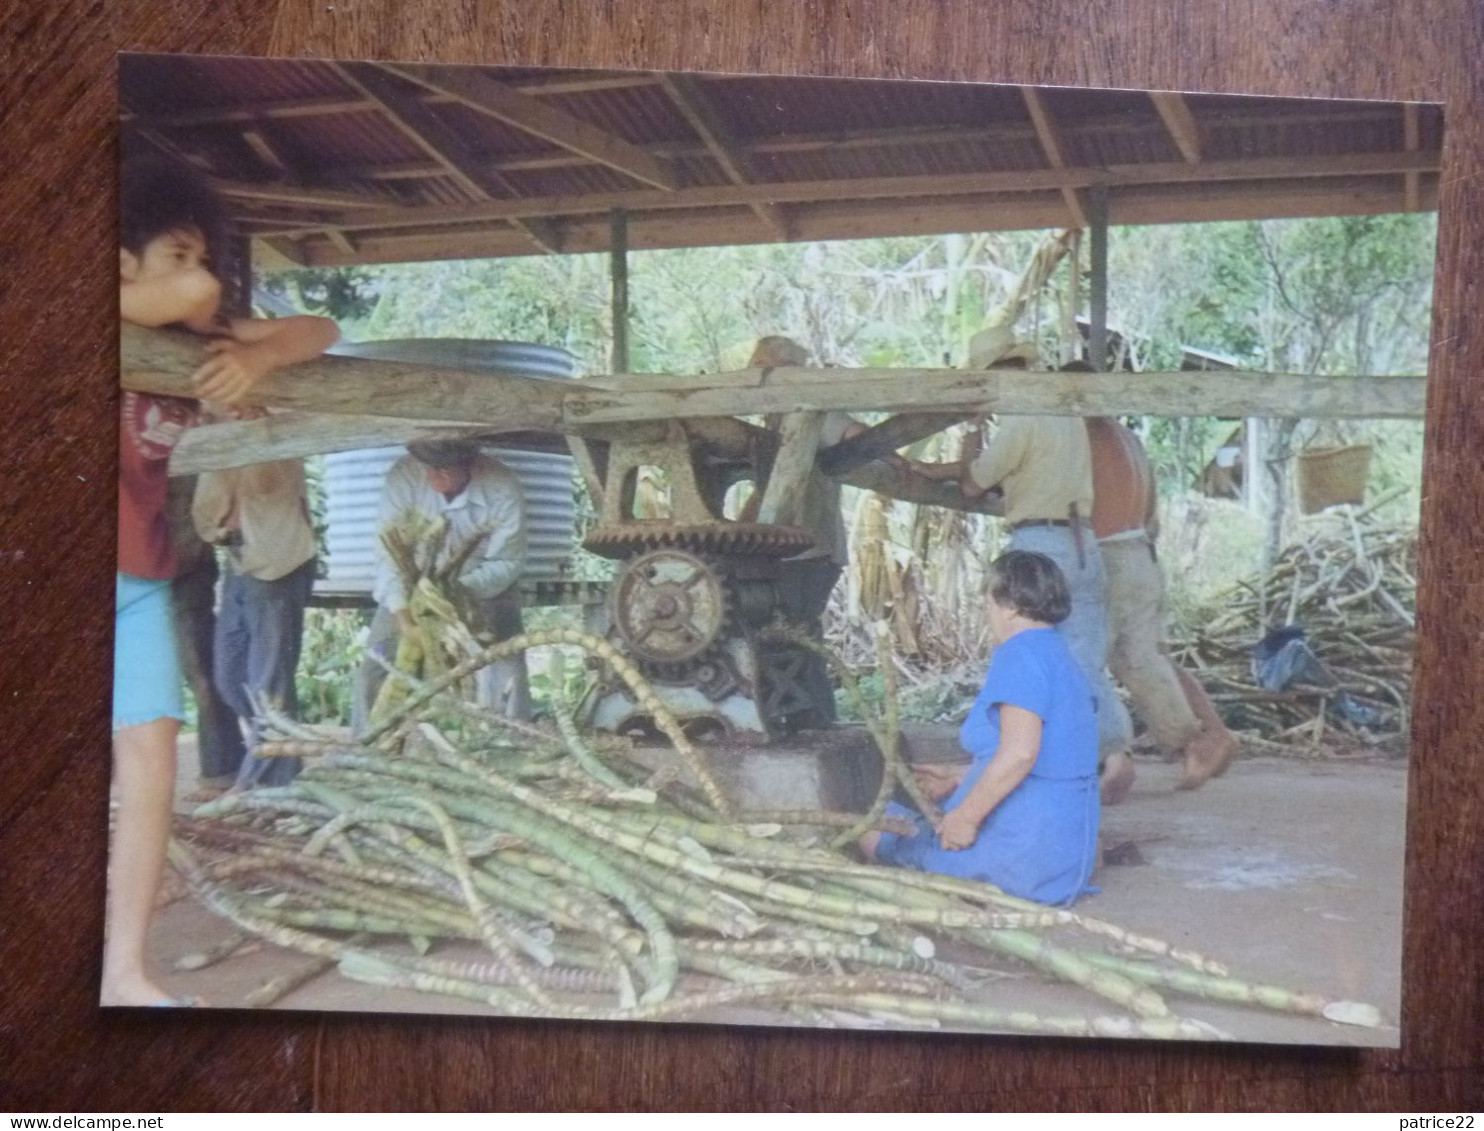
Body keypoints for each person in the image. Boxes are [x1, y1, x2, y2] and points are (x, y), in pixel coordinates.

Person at [110, 153, 339, 1006]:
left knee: (153, 763)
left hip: (138, 571)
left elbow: (322, 330)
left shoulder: (194, 343)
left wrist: (263, 354)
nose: (201, 275)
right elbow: (187, 300)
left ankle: (126, 971)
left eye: (206, 256)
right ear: (119, 260)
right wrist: (223, 321)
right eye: (179, 253)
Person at [908, 331, 1134, 794]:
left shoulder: (1020, 419)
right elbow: (1024, 466)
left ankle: (1012, 763)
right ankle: (1114, 754)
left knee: (1026, 655)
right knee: (1085, 663)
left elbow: (974, 485)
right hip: (1082, 544)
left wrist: (972, 428)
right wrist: (945, 469)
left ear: (996, 376)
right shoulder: (1063, 413)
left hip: (1038, 546)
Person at [862, 550, 1100, 906]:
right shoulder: (1059, 654)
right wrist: (960, 776)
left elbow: (1020, 753)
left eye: (987, 603)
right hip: (1062, 858)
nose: (987, 614)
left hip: (1023, 860)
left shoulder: (1019, 655)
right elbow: (1052, 753)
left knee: (871, 830)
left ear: (1009, 605)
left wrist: (965, 818)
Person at [1082, 390, 1239, 795]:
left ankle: (1166, 748)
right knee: (1151, 657)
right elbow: (1151, 512)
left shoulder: (1081, 434)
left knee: (1112, 661)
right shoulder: (1126, 438)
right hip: (1140, 550)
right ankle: (1214, 733)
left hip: (1111, 553)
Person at [352, 440, 531, 732]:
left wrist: (453, 594)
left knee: (507, 668)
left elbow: (506, 563)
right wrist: (404, 617)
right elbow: (387, 553)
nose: (433, 475)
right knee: (375, 666)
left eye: (444, 468)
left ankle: (517, 740)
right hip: (412, 586)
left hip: (482, 586)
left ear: (470, 464)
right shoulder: (405, 475)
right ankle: (364, 747)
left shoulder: (501, 486)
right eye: (428, 466)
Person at [746, 336, 866, 727]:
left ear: (787, 370)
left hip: (809, 552)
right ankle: (797, 718)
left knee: (795, 634)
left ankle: (813, 723)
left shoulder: (811, 406)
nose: (754, 374)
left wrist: (893, 458)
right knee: (787, 634)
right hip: (790, 552)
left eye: (762, 366)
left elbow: (855, 434)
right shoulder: (776, 420)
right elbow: (765, 492)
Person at [192, 426, 319, 789]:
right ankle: (281, 754)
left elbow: (266, 490)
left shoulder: (274, 438)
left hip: (279, 565)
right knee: (230, 680)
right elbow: (211, 522)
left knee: (269, 684)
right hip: (242, 563)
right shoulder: (216, 440)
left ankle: (260, 783)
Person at [166, 477, 246, 797]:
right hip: (157, 573)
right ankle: (225, 765)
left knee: (203, 677)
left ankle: (220, 769)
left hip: (180, 576)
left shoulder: (185, 455)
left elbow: (201, 523)